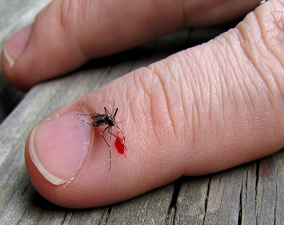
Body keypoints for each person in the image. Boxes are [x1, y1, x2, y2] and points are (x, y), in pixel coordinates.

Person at [1, 0, 281, 208]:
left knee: (108, 128)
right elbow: (108, 117)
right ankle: (85, 128)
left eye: (110, 122)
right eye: (110, 121)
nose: (112, 123)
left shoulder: (111, 125)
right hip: (98, 121)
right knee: (103, 123)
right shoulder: (106, 121)